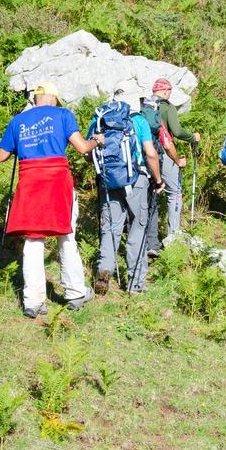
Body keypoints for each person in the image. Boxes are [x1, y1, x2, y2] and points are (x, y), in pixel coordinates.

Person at [0, 82, 102, 318]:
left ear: (34, 99)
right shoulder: (63, 115)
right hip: (56, 181)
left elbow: (0, 156)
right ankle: (75, 293)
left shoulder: (17, 121)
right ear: (54, 98)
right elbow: (82, 148)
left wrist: (21, 144)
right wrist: (97, 141)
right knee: (66, 234)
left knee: (33, 241)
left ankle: (33, 302)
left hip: (30, 182)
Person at [92, 86, 164, 295]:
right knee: (137, 228)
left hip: (109, 180)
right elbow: (150, 153)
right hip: (137, 180)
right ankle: (135, 284)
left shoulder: (100, 118)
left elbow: (89, 153)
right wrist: (158, 179)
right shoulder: (138, 120)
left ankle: (104, 269)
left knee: (111, 227)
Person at [143, 78, 200, 247]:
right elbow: (176, 131)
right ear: (166, 92)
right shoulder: (167, 107)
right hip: (163, 152)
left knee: (149, 193)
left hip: (144, 154)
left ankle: (146, 239)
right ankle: (173, 236)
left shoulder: (144, 106)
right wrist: (192, 138)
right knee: (174, 192)